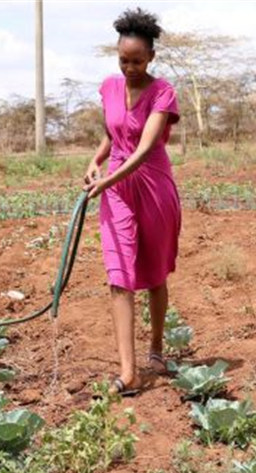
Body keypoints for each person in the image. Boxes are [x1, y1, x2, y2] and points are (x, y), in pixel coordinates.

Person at [83, 7, 181, 396]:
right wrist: (95, 161)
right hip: (117, 191)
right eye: (123, 60)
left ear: (151, 57)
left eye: (137, 61)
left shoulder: (163, 92)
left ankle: (156, 349)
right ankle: (128, 373)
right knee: (119, 275)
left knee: (154, 274)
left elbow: (143, 148)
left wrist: (107, 179)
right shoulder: (109, 87)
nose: (129, 68)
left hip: (153, 185)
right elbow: (114, 133)